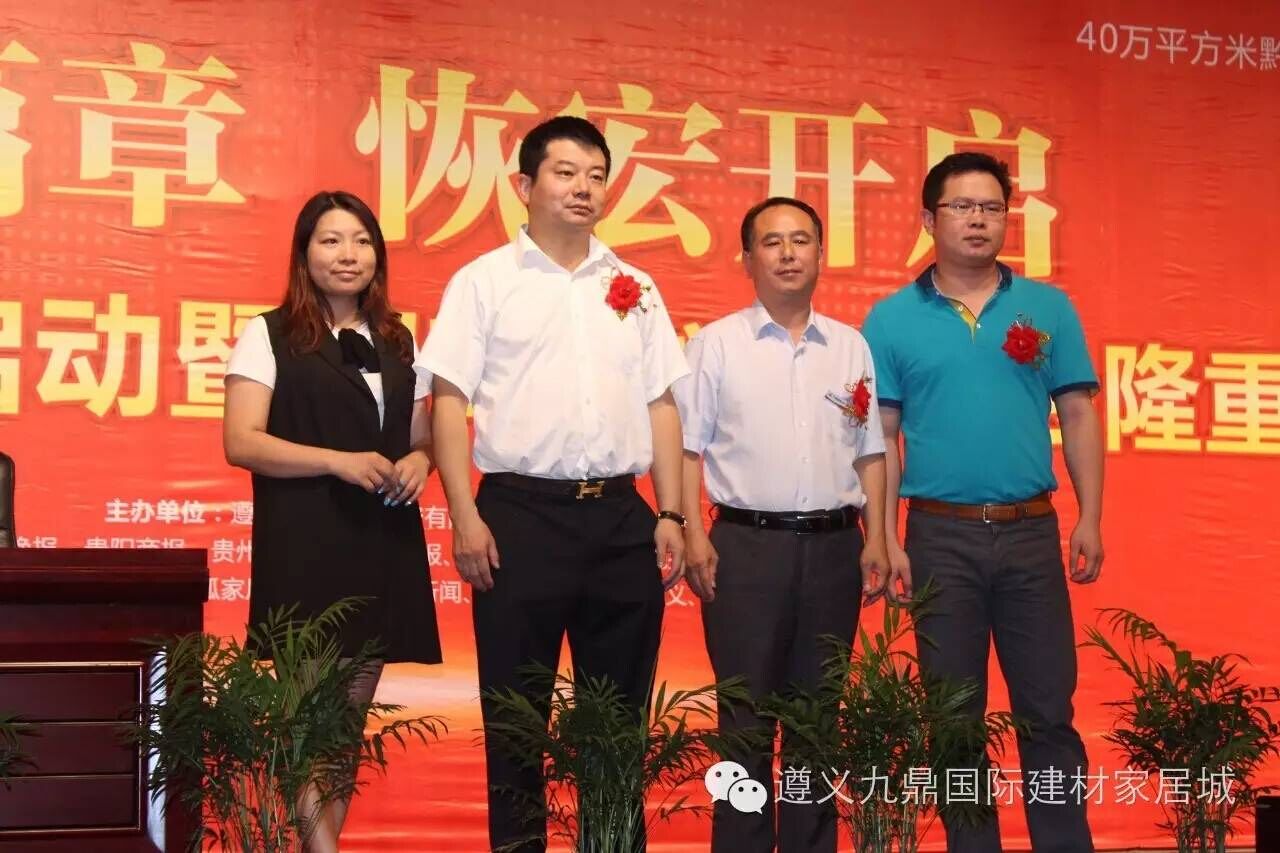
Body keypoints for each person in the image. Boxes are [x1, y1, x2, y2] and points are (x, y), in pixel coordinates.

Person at [419, 116, 689, 852]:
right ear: (524, 185)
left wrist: (670, 511)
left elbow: (662, 403)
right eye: (565, 173)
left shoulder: (635, 286)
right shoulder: (484, 282)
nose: (583, 188)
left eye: (596, 176)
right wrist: (463, 514)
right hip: (519, 517)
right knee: (517, 720)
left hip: (620, 518)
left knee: (617, 723)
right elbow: (448, 400)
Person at [862, 152, 1104, 853]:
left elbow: (1078, 415)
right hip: (939, 537)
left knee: (1047, 711)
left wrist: (1090, 516)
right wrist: (886, 535)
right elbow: (882, 436)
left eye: (992, 208)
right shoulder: (892, 319)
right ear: (928, 219)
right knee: (955, 719)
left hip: (1031, 533)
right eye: (962, 207)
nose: (978, 219)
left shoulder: (1048, 307)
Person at [223, 190, 442, 853]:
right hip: (306, 546)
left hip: (381, 545)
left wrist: (421, 461)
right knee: (304, 724)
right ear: (304, 253)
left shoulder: (398, 339)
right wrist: (336, 461)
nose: (348, 254)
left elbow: (421, 437)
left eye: (362, 241)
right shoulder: (269, 333)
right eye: (331, 240)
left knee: (344, 729)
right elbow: (241, 441)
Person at [676, 196, 889, 853]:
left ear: (821, 254)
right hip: (745, 547)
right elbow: (687, 449)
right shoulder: (716, 344)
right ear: (747, 259)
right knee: (743, 721)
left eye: (801, 240)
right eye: (772, 242)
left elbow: (870, 451)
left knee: (817, 723)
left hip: (834, 548)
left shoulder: (849, 346)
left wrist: (880, 535)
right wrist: (693, 532)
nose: (788, 253)